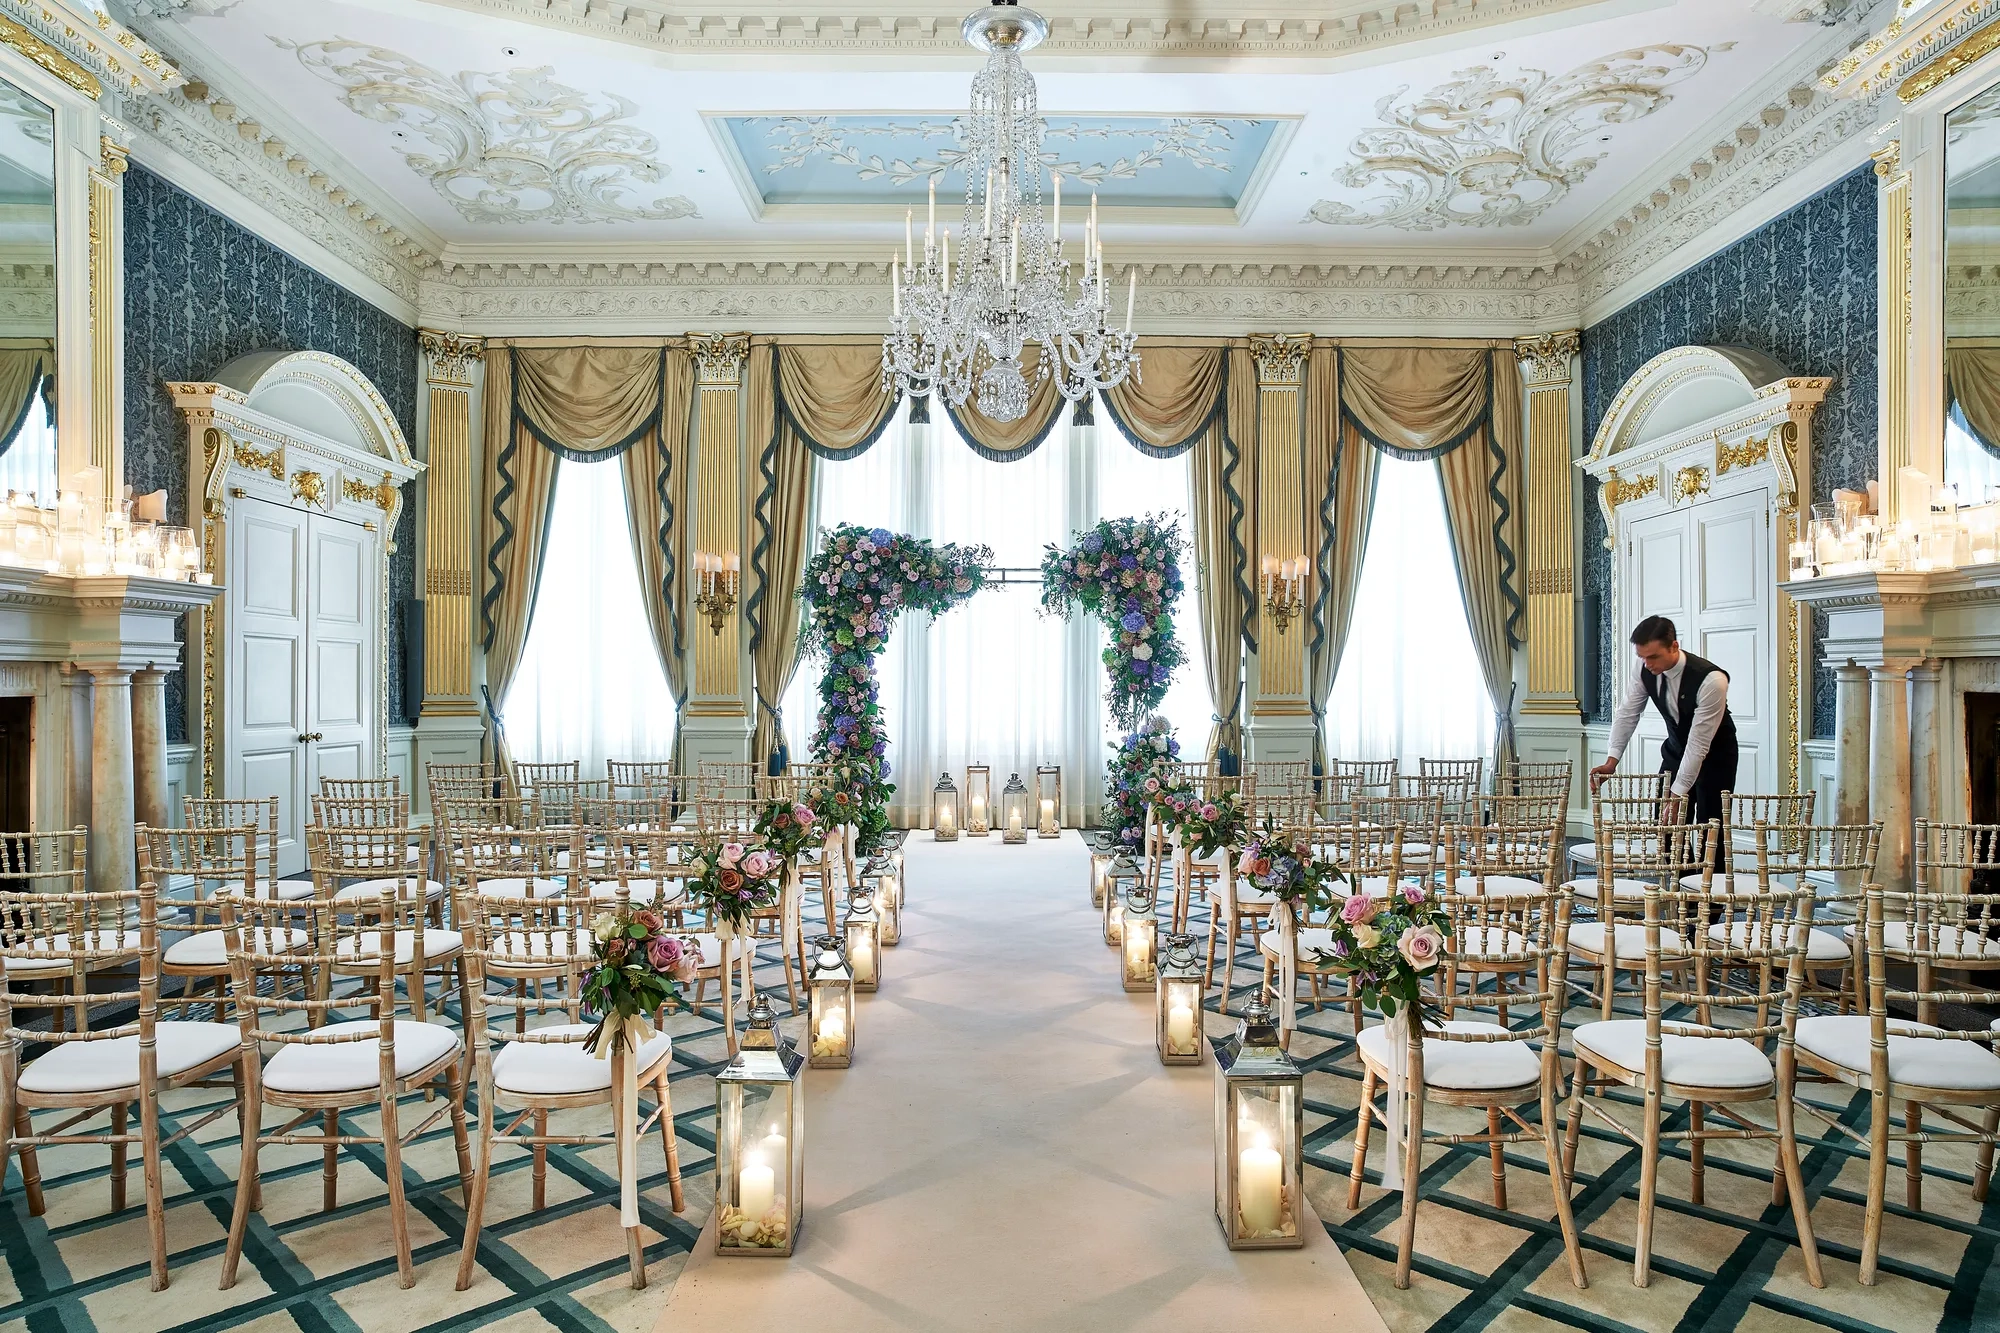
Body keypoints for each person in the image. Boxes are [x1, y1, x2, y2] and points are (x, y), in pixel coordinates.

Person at [1589, 615, 1738, 828]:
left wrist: (1677, 795)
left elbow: (1698, 745)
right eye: (1642, 657)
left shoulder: (1712, 681)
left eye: (1653, 657)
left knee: (1711, 831)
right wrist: (1611, 761)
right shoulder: (1643, 668)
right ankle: (1671, 862)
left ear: (1674, 646)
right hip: (1676, 751)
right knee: (1666, 827)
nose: (1647, 664)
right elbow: (1627, 714)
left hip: (1716, 758)